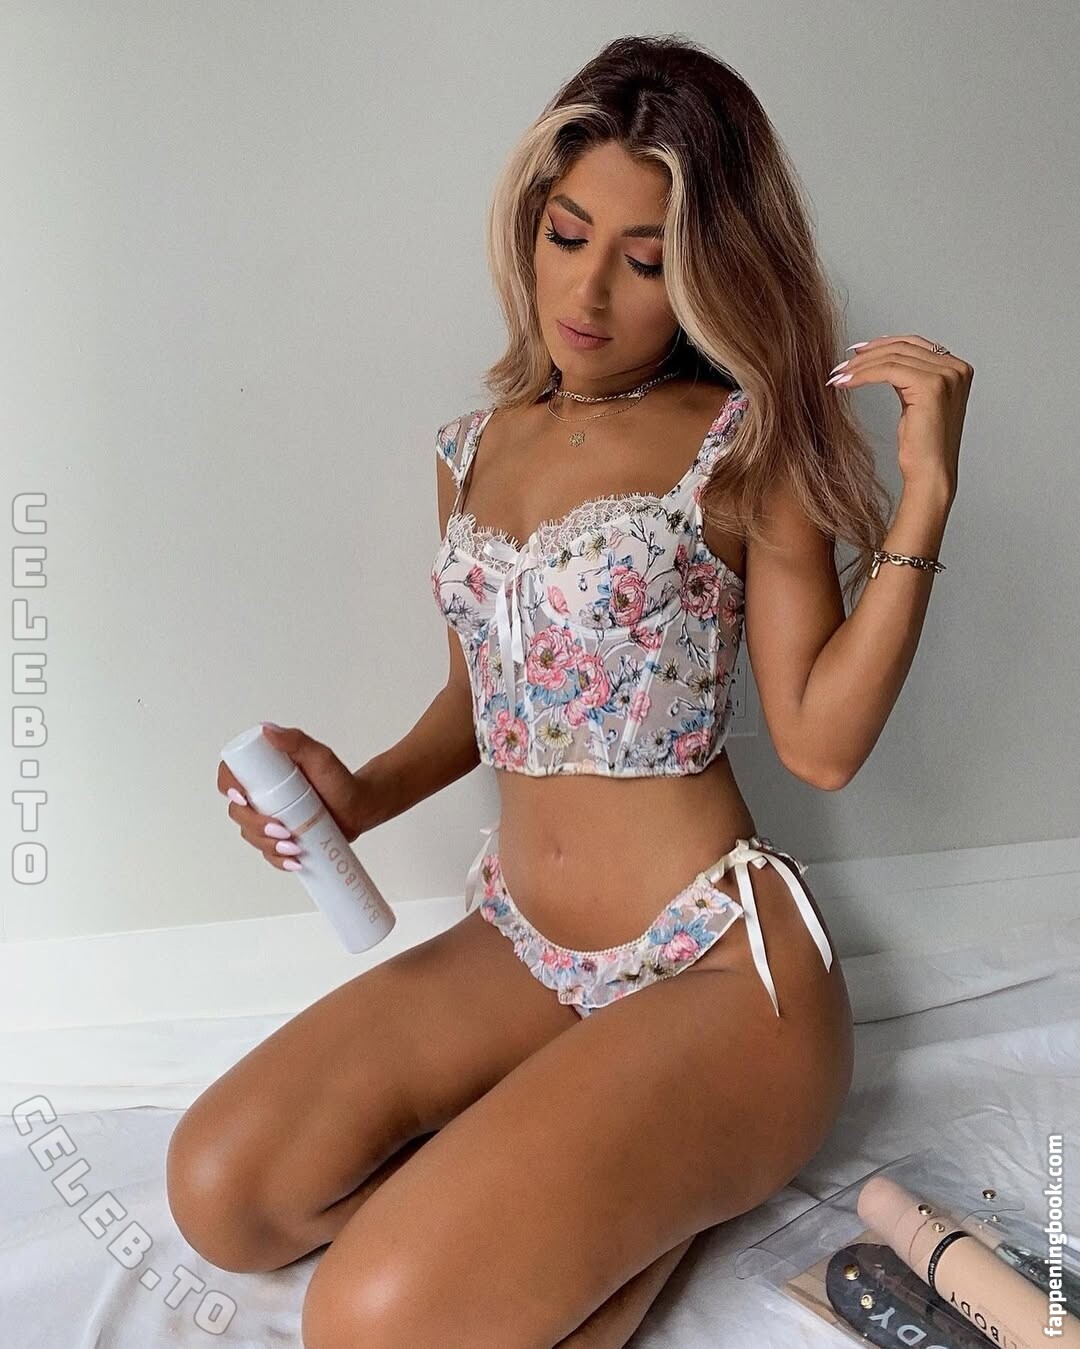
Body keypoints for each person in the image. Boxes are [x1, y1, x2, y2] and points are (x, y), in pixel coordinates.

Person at [167, 32, 970, 1349]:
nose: (588, 290)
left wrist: (926, 497)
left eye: (646, 261)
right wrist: (354, 794)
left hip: (720, 970)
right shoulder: (471, 449)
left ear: (704, 275)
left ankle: (661, 1177)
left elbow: (821, 746)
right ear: (530, 226)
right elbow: (483, 706)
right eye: (567, 234)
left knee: (364, 1321)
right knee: (223, 1194)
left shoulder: (743, 447)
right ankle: (596, 1154)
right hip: (524, 948)